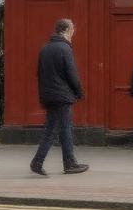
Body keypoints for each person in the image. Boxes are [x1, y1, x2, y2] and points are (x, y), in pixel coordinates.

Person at [30, 18, 89, 177]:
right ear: (67, 30)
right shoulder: (65, 49)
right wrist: (79, 91)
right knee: (58, 129)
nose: (73, 32)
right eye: (72, 30)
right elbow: (72, 74)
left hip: (49, 95)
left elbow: (39, 73)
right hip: (62, 96)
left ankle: (63, 162)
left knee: (59, 129)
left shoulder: (45, 48)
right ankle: (47, 162)